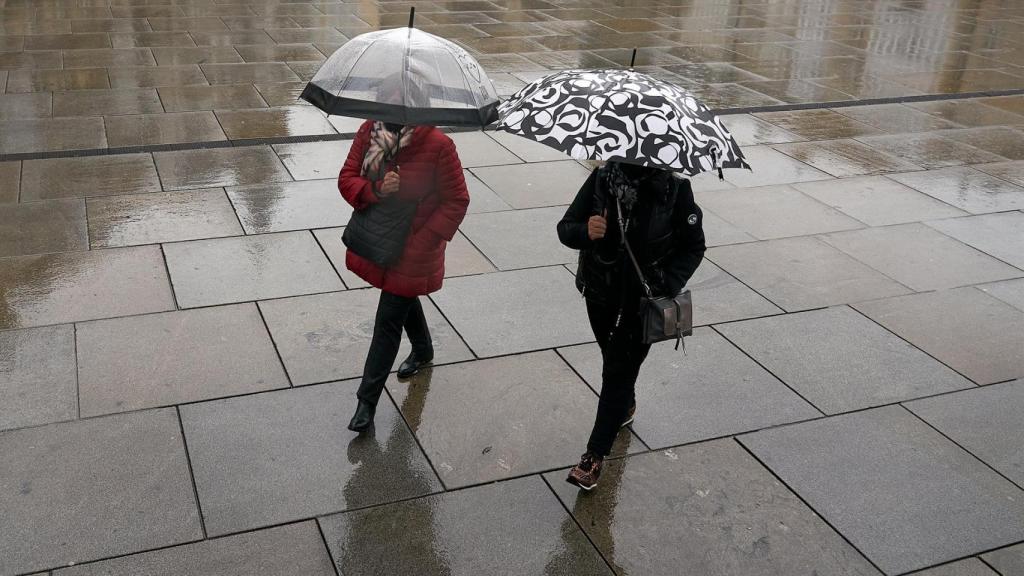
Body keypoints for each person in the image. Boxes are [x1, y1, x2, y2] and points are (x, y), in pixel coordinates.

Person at [556, 161, 706, 490]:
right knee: (612, 358)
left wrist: (667, 281)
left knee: (618, 369)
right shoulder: (602, 179)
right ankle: (625, 404)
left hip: (643, 301)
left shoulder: (675, 190)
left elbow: (694, 246)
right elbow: (565, 228)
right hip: (600, 290)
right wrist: (585, 231)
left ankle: (593, 456)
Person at [339, 116, 469, 432]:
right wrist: (377, 189)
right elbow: (347, 179)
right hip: (382, 237)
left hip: (414, 247)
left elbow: (457, 200)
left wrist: (422, 242)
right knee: (401, 295)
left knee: (388, 319)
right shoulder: (370, 130)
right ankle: (423, 350)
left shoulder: (438, 145)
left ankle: (366, 402)